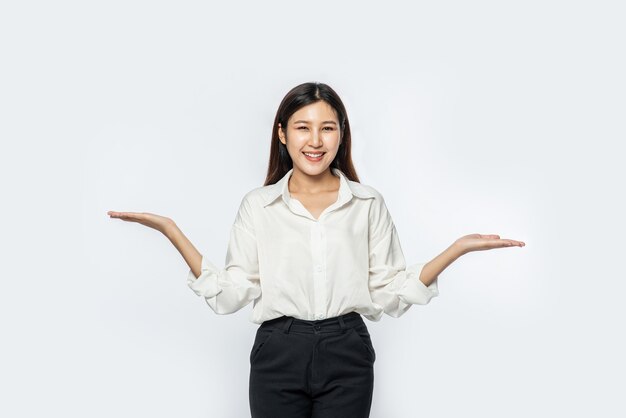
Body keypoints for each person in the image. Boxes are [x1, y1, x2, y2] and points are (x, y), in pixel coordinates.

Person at [108, 81, 525, 418]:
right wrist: (171, 230)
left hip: (348, 349)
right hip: (278, 350)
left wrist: (454, 250)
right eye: (303, 126)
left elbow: (388, 292)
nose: (315, 140)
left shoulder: (367, 203)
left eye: (327, 127)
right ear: (283, 133)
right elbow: (232, 292)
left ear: (341, 133)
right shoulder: (259, 205)